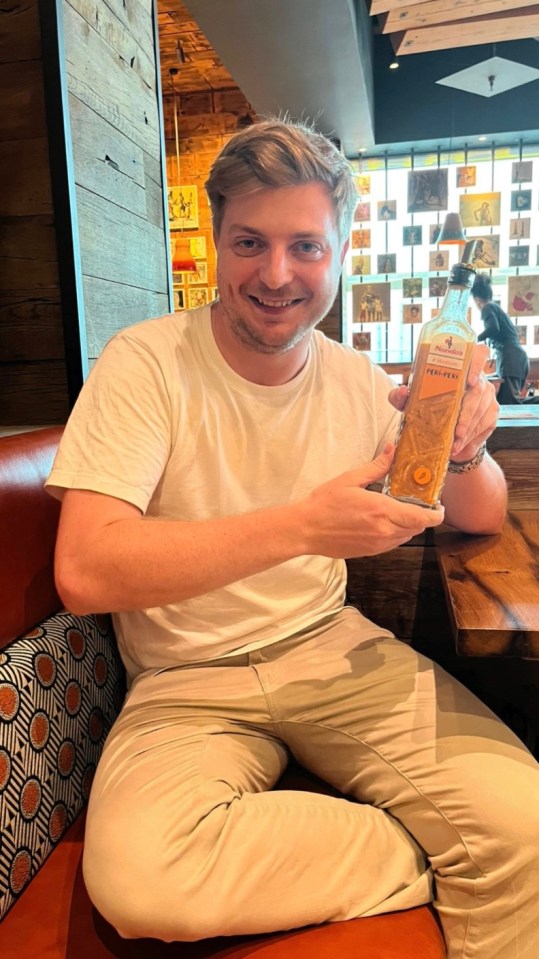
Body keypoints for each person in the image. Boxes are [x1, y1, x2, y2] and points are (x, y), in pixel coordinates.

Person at [46, 119, 539, 957]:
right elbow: (86, 570)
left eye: (305, 246)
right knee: (140, 882)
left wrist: (465, 442)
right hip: (182, 679)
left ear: (340, 250)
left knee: (523, 822)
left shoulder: (359, 380)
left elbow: (479, 515)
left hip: (330, 650)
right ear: (216, 239)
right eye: (250, 242)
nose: (276, 275)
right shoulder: (145, 363)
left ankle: (474, 850)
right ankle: (434, 852)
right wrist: (302, 525)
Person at [472, 273, 530, 404]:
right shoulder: (496, 308)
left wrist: (475, 339)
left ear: (476, 299)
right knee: (512, 401)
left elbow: (493, 328)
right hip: (516, 357)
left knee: (510, 403)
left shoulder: (487, 307)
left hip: (511, 358)